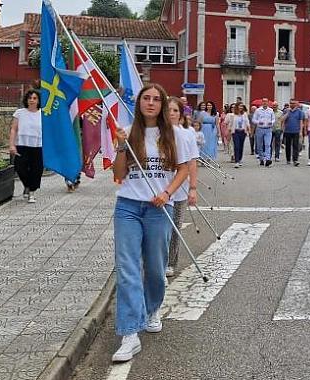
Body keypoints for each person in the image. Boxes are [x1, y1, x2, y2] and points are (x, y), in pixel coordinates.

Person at [110, 84, 191, 362]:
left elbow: (183, 168)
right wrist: (121, 146)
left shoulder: (173, 135)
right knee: (127, 268)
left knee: (156, 269)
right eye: (147, 98)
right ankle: (129, 333)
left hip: (159, 209)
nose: (151, 103)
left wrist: (168, 193)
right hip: (128, 207)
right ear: (139, 103)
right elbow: (119, 174)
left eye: (157, 99)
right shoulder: (129, 132)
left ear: (162, 104)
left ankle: (153, 307)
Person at [166, 97, 199, 277]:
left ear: (181, 115)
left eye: (175, 110)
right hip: (159, 187)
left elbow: (192, 162)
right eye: (168, 110)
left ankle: (171, 262)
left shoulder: (188, 134)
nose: (171, 113)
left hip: (179, 189)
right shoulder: (156, 133)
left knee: (174, 227)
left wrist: (193, 188)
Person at [8, 89, 42, 204]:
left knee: (36, 170)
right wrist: (12, 145)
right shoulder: (20, 113)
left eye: (34, 98)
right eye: (30, 98)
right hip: (22, 145)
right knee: (20, 167)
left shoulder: (43, 114)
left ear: (38, 101)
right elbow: (13, 129)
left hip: (38, 146)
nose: (32, 100)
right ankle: (27, 185)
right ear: (26, 100)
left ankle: (31, 192)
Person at [282, 99, 306, 166]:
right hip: (287, 131)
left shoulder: (299, 112)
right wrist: (287, 113)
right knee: (288, 146)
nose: (292, 104)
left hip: (296, 131)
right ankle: (288, 159)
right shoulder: (286, 110)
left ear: (296, 104)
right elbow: (282, 120)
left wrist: (301, 131)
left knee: (296, 146)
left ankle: (295, 160)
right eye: (291, 103)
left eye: (293, 103)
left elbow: (301, 122)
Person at [253, 98, 275, 167]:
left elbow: (273, 119)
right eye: (264, 102)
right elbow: (254, 119)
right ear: (262, 103)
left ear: (268, 103)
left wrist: (271, 123)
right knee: (259, 145)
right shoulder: (258, 110)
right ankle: (261, 158)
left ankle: (268, 159)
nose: (265, 103)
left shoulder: (271, 110)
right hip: (260, 129)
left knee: (267, 144)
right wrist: (258, 122)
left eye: (266, 102)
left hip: (268, 129)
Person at [227, 103, 250, 168]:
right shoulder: (233, 115)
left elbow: (247, 122)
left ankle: (239, 159)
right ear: (237, 107)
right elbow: (230, 124)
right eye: (240, 106)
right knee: (236, 146)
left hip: (243, 131)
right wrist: (228, 132)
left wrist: (249, 130)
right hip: (235, 132)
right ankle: (236, 161)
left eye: (242, 106)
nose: (241, 107)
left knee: (241, 146)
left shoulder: (245, 114)